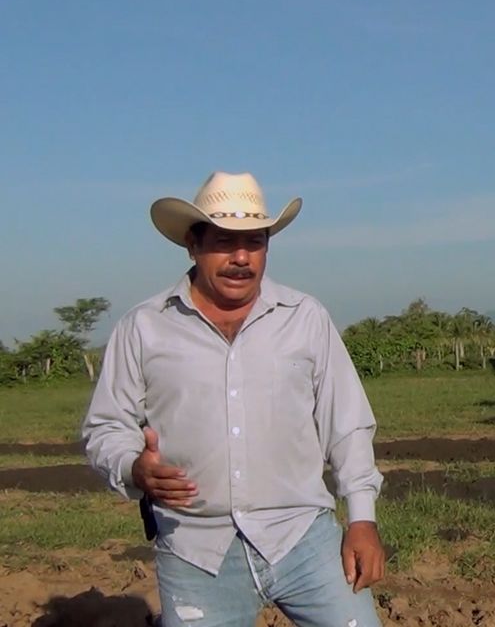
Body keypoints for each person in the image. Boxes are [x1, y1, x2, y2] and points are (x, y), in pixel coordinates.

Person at [82, 171, 386, 626]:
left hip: (302, 537)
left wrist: (362, 519)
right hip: (195, 550)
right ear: (193, 244)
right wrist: (132, 467)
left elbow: (348, 426)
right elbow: (105, 427)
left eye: (255, 242)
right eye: (224, 242)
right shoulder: (144, 327)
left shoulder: (305, 319)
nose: (241, 258)